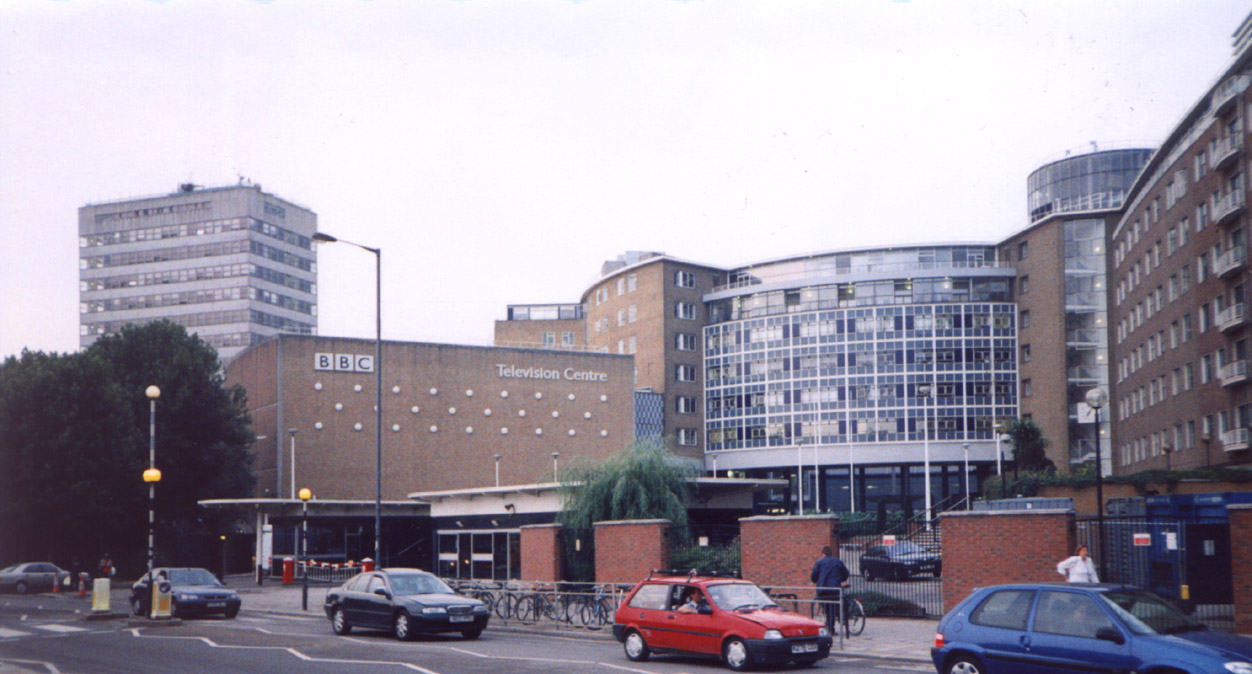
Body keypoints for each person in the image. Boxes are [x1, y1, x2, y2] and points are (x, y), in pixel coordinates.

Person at [810, 545, 850, 632]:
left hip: (822, 590)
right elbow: (846, 573)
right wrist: (841, 579)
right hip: (835, 589)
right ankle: (835, 621)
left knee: (827, 607)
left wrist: (815, 580)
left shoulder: (819, 562)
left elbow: (813, 576)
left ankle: (830, 627)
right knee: (833, 606)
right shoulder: (837, 561)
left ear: (823, 554)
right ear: (830, 554)